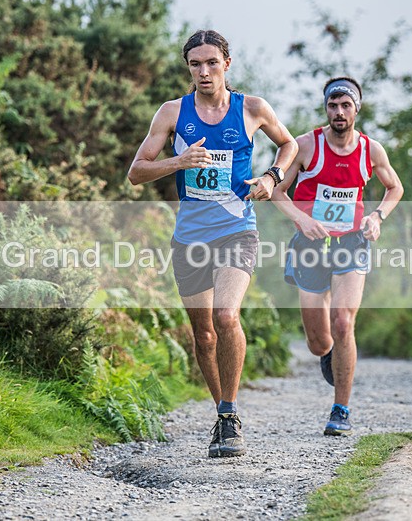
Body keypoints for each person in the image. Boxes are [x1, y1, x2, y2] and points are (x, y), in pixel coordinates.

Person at [127, 30, 297, 457]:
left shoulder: (252, 108)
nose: (204, 72)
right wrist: (178, 161)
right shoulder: (172, 113)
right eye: (195, 64)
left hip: (237, 229)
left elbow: (289, 144)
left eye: (211, 63)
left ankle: (229, 414)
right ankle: (220, 414)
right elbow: (136, 172)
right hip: (189, 238)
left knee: (225, 314)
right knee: (203, 336)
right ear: (188, 68)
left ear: (227, 63)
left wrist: (271, 177)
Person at [271, 76, 403, 436]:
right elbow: (278, 192)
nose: (339, 112)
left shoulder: (371, 150)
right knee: (318, 341)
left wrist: (377, 217)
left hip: (351, 242)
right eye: (333, 105)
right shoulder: (305, 146)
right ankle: (331, 354)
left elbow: (395, 187)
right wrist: (302, 219)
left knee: (343, 322)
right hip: (311, 244)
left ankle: (340, 409)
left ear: (357, 109)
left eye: (346, 105)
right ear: (326, 108)